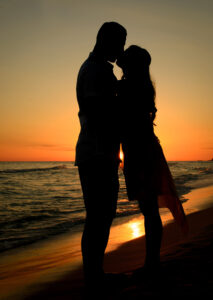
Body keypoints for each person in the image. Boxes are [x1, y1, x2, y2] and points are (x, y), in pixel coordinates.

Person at [116, 45, 188, 276]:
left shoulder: (127, 87)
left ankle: (151, 263)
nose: (122, 64)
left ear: (131, 66)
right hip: (146, 149)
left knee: (148, 209)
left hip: (139, 152)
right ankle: (152, 262)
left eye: (126, 62)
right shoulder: (145, 87)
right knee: (149, 210)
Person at [75, 22, 127, 286]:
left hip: (99, 152)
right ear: (104, 40)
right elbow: (100, 112)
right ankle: (93, 277)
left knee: (101, 215)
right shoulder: (95, 70)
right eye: (119, 42)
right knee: (99, 215)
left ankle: (95, 274)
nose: (121, 49)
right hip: (95, 152)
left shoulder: (98, 68)